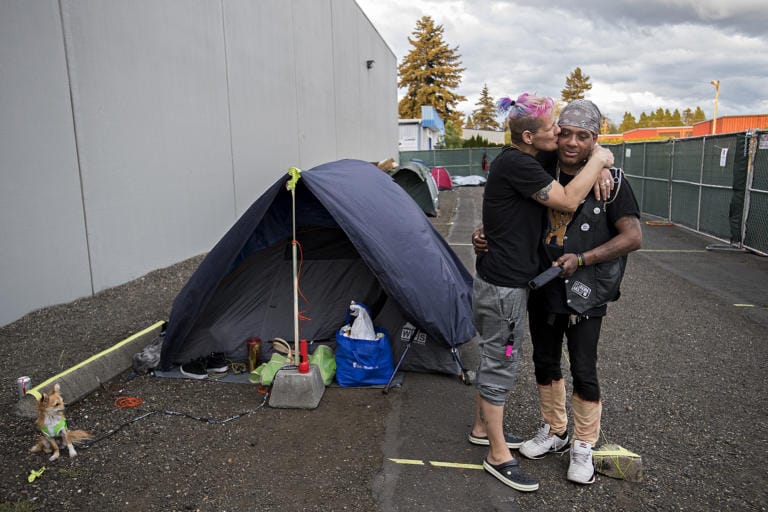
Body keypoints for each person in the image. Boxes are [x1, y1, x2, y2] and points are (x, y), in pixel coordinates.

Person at [474, 99, 642, 486]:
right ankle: (555, 429)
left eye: (583, 136)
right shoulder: (540, 167)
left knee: (585, 368)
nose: (569, 141)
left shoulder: (610, 180)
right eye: (563, 132)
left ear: (594, 140)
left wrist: (583, 258)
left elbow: (633, 236)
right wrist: (486, 235)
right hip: (542, 288)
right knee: (545, 363)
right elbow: (513, 206)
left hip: (587, 292)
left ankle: (584, 442)